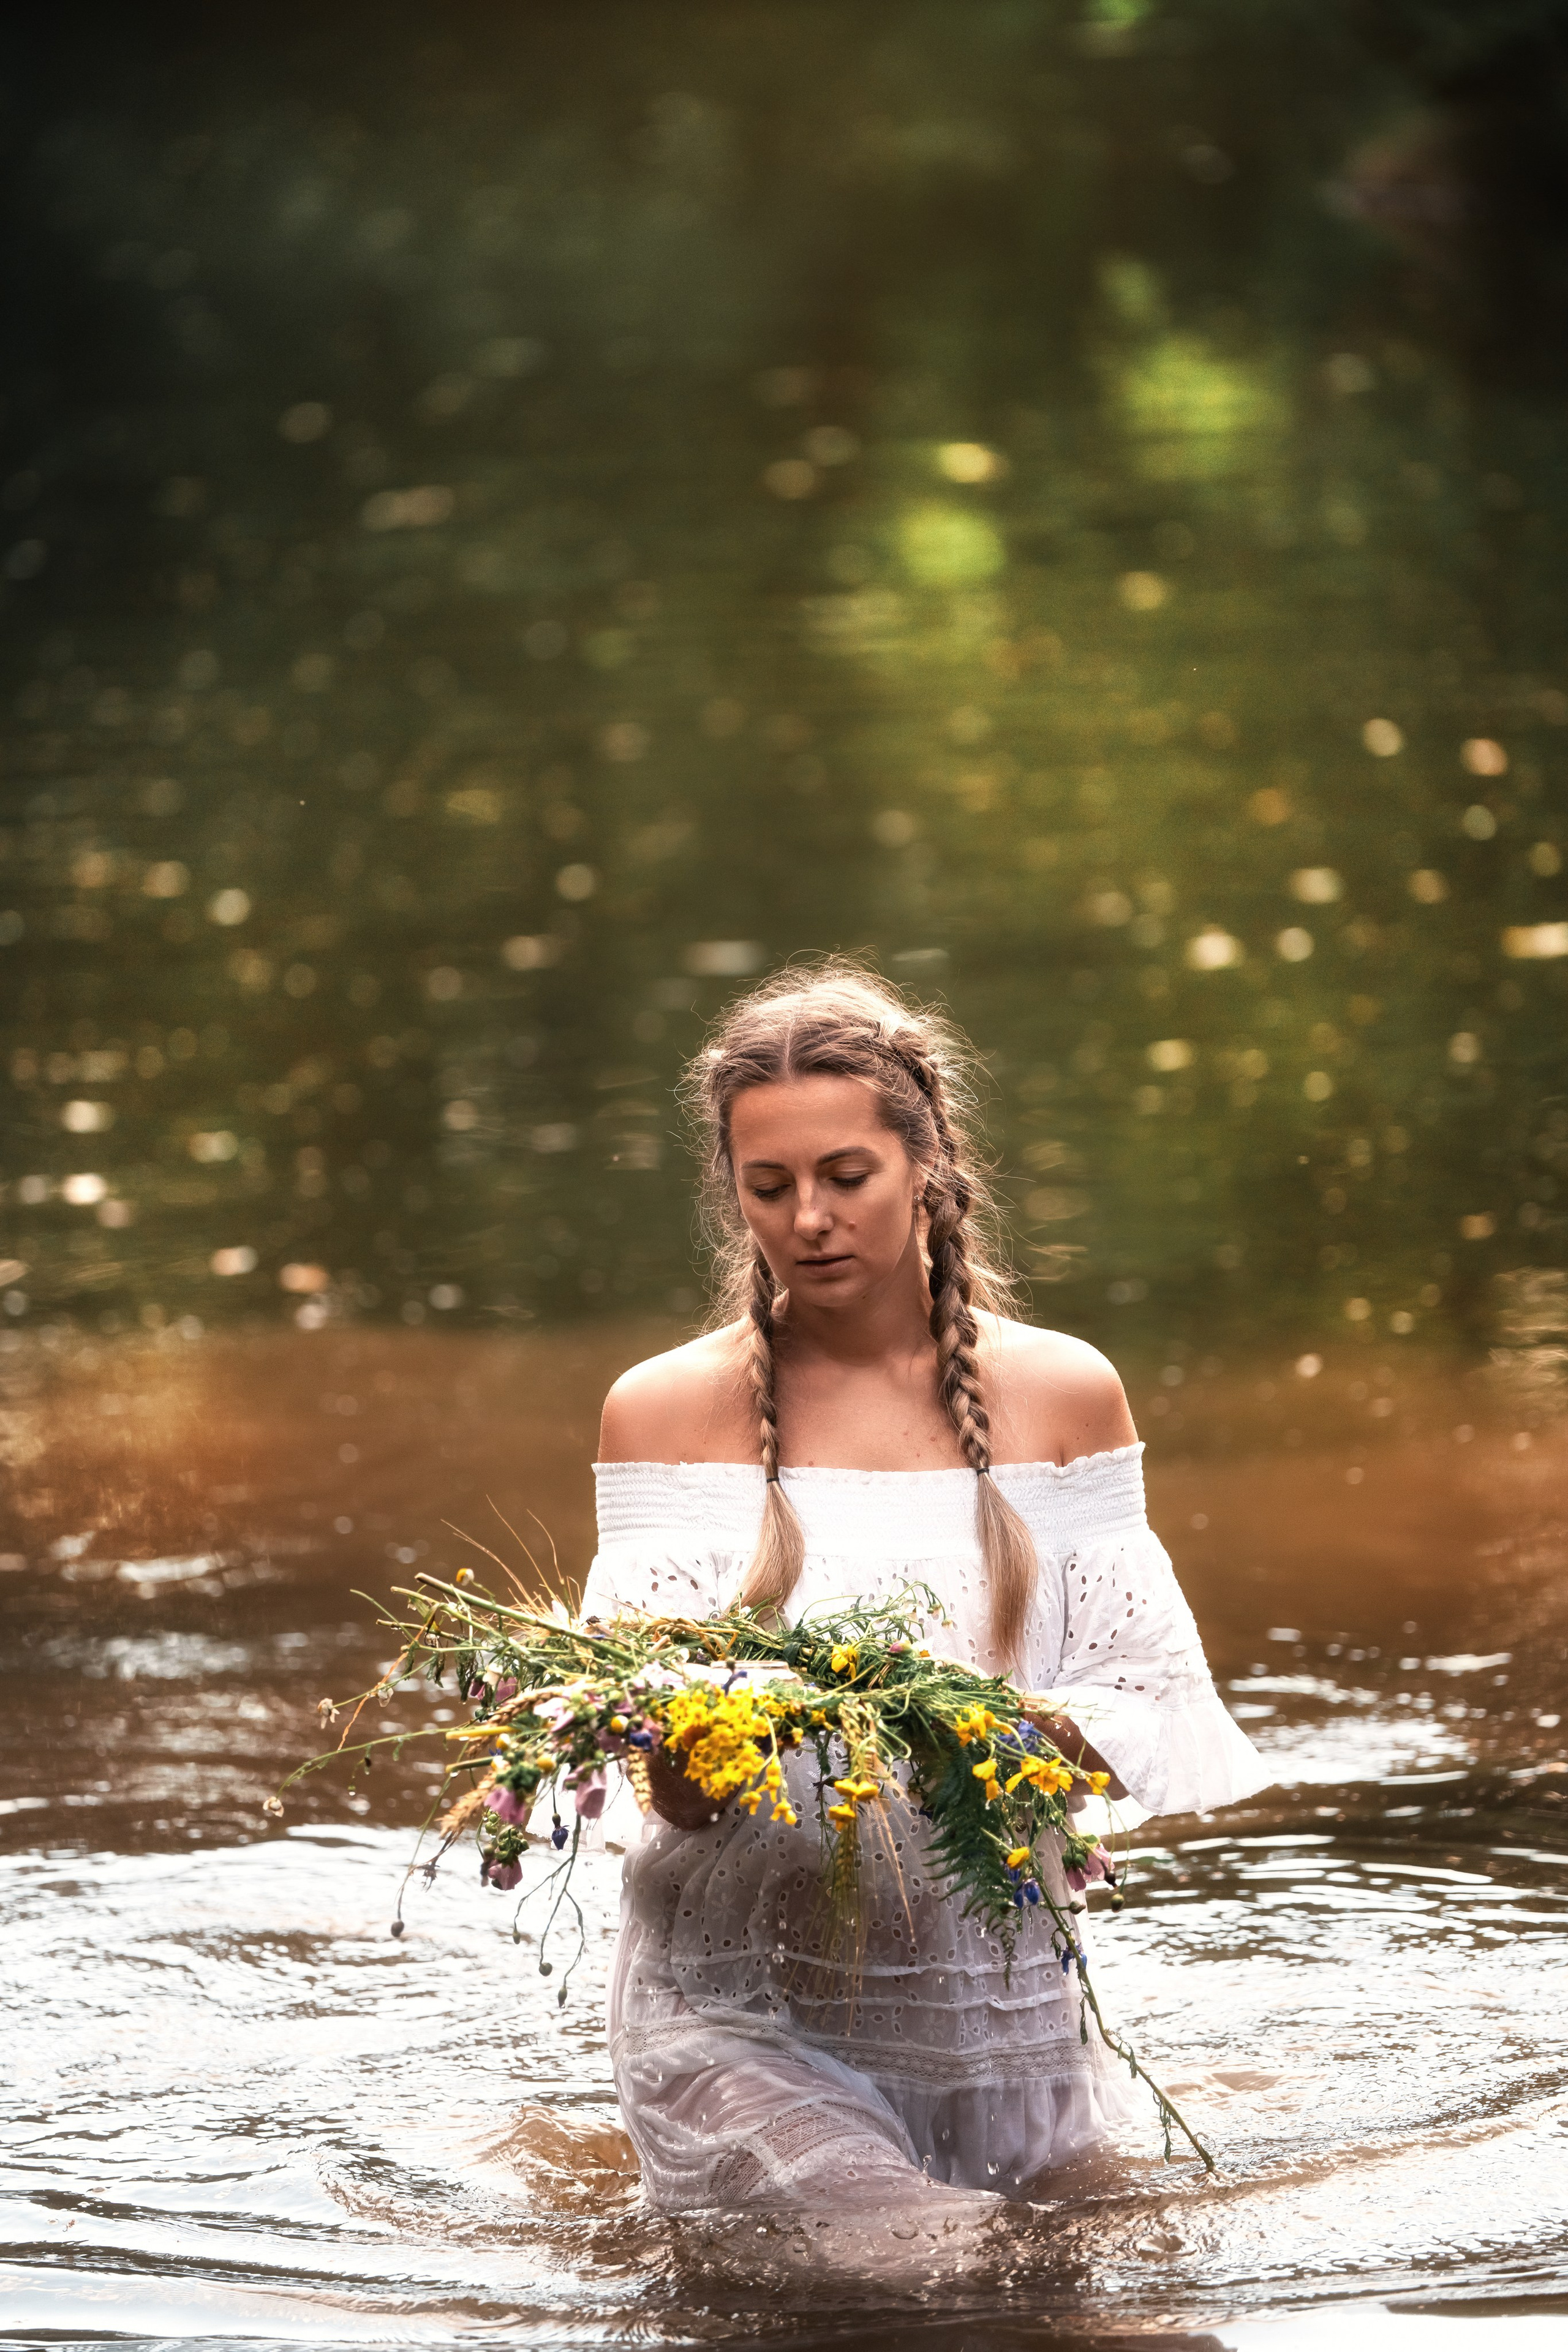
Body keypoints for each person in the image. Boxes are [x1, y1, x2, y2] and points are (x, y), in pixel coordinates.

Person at [582, 963, 1266, 2216]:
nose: (808, 1219)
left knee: (1086, 2304)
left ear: (927, 1163)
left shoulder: (1063, 1395)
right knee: (917, 2265)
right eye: (768, 1185)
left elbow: (1146, 1696)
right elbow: (648, 1771)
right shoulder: (661, 1409)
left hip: (989, 1976)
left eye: (846, 1176)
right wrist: (683, 1750)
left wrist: (1023, 1734)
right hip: (736, 1995)